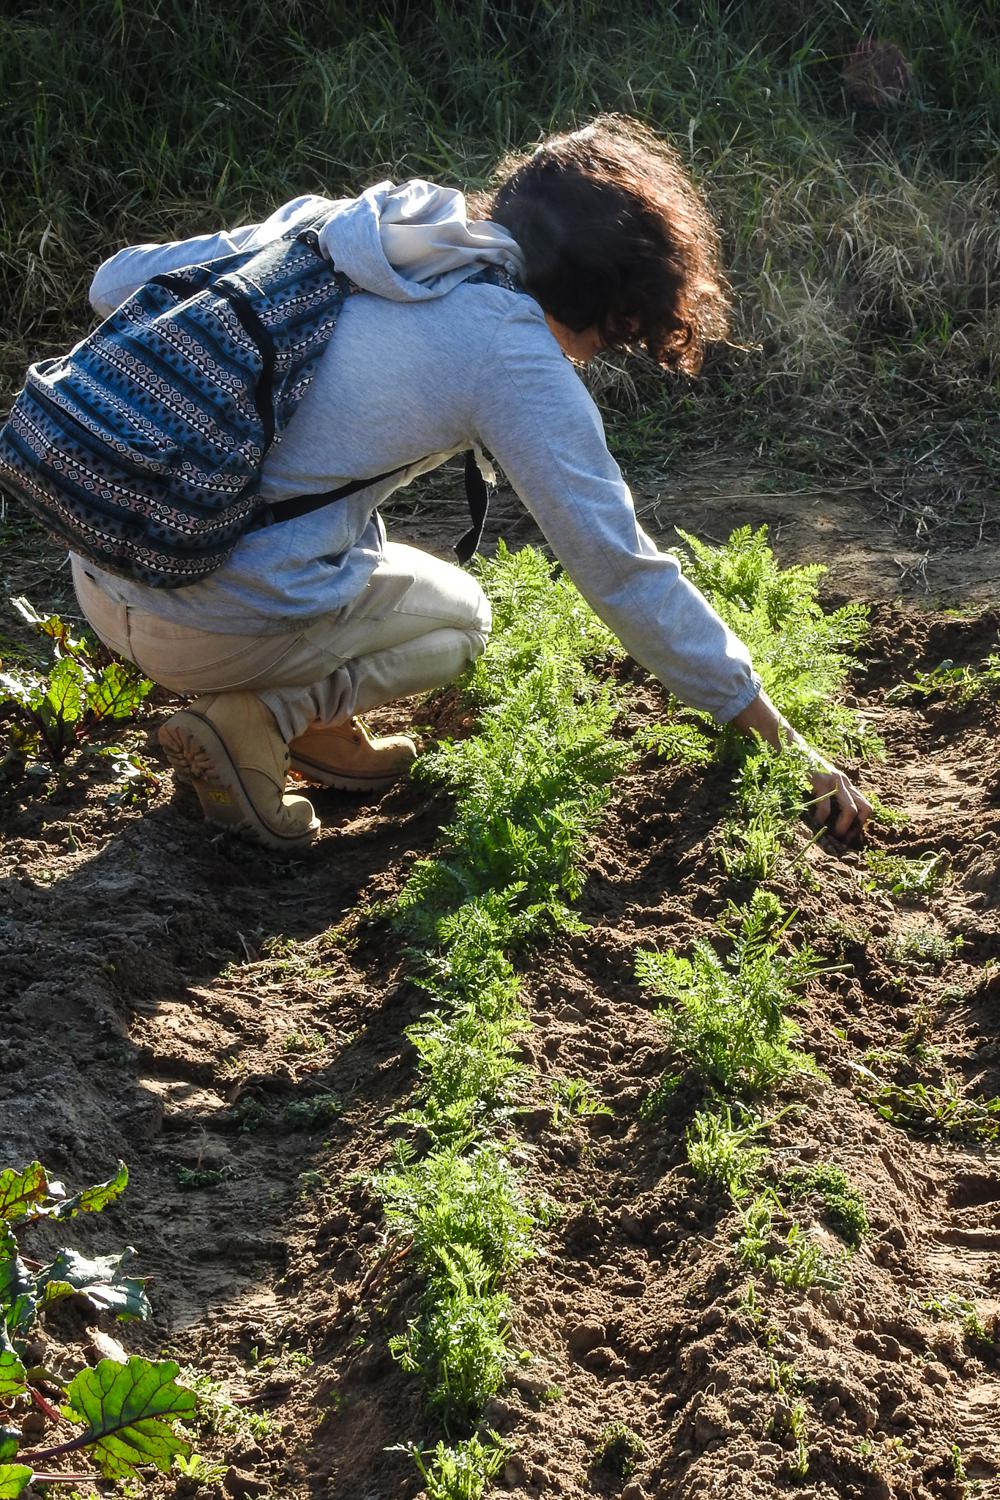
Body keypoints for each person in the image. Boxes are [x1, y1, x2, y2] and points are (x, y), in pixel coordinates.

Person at [69, 115, 871, 851]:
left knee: (343, 521)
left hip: (107, 562)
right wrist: (782, 739)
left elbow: (113, 283)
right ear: (618, 301)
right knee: (462, 621)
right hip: (202, 621)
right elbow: (620, 568)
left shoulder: (369, 229)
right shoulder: (510, 351)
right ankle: (265, 718)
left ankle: (304, 720)